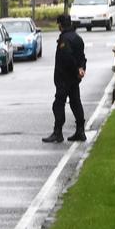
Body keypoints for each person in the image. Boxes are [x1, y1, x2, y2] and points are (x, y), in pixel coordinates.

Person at [43, 14, 87, 143]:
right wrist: (81, 69)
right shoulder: (78, 38)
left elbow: (68, 58)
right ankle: (80, 131)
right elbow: (82, 58)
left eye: (58, 24)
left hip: (64, 78)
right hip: (74, 78)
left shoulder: (64, 40)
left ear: (61, 25)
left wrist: (75, 69)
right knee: (75, 103)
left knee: (58, 104)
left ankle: (58, 132)